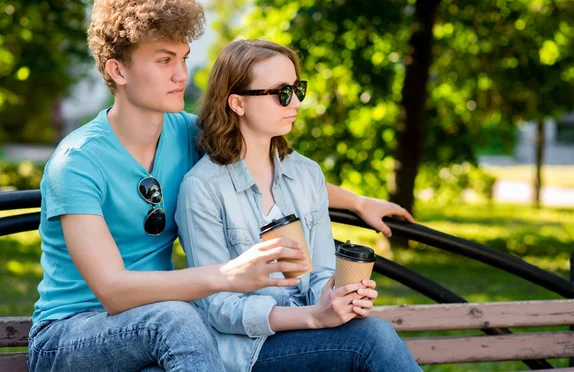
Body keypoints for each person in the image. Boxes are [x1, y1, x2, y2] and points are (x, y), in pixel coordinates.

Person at [29, 0, 413, 371]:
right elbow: (112, 291)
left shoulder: (186, 134)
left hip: (161, 332)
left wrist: (358, 202)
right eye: (164, 60)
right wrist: (227, 275)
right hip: (72, 335)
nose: (181, 74)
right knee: (178, 316)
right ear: (118, 71)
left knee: (368, 337)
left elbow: (267, 165)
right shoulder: (76, 162)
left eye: (183, 58)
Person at [176, 40, 420, 372]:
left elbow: (319, 271)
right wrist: (312, 317)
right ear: (237, 103)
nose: (296, 103)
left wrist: (338, 297)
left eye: (297, 88)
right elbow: (218, 306)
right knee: (371, 339)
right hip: (247, 350)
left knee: (369, 332)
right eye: (281, 93)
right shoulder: (202, 187)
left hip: (310, 333)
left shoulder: (306, 174)